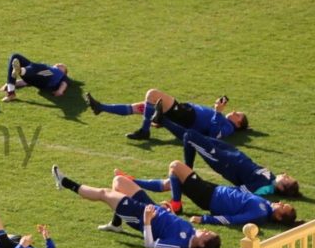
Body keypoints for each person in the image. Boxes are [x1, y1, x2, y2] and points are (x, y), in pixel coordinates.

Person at [51, 165, 221, 248]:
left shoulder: (179, 245)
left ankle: (64, 182)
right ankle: (116, 224)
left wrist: (146, 221)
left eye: (207, 234)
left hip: (139, 216)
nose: (205, 230)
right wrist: (166, 209)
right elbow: (171, 222)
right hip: (151, 206)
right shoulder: (191, 230)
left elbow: (150, 245)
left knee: (104, 193)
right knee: (119, 181)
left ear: (202, 244)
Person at [153, 107, 299, 198]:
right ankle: (162, 120)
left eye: (287, 179)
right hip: (231, 152)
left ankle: (186, 172)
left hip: (224, 161)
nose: (285, 174)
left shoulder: (262, 187)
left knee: (190, 136)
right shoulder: (270, 178)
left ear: (282, 188)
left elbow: (238, 190)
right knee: (193, 137)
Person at [102, 164, 296, 226]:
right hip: (214, 189)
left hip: (209, 197)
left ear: (279, 216)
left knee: (176, 166)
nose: (279, 202)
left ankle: (175, 204)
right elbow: (242, 194)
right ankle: (130, 181)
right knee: (173, 181)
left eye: (282, 206)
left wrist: (204, 219)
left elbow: (232, 219)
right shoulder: (264, 205)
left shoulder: (260, 213)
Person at [85, 89, 246, 140]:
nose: (233, 112)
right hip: (184, 112)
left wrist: (217, 112)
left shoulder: (229, 128)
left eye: (237, 114)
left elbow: (213, 135)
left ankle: (145, 130)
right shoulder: (226, 122)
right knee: (141, 106)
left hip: (187, 117)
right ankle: (101, 107)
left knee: (152, 94)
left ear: (238, 124)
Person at [0, 53, 69, 102]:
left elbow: (64, 83)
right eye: (56, 65)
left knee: (39, 68)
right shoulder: (49, 68)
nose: (58, 64)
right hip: (35, 76)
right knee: (15, 56)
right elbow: (24, 82)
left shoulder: (62, 76)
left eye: (61, 66)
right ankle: (11, 92)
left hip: (47, 77)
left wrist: (60, 91)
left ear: (64, 72)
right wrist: (10, 84)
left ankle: (20, 70)